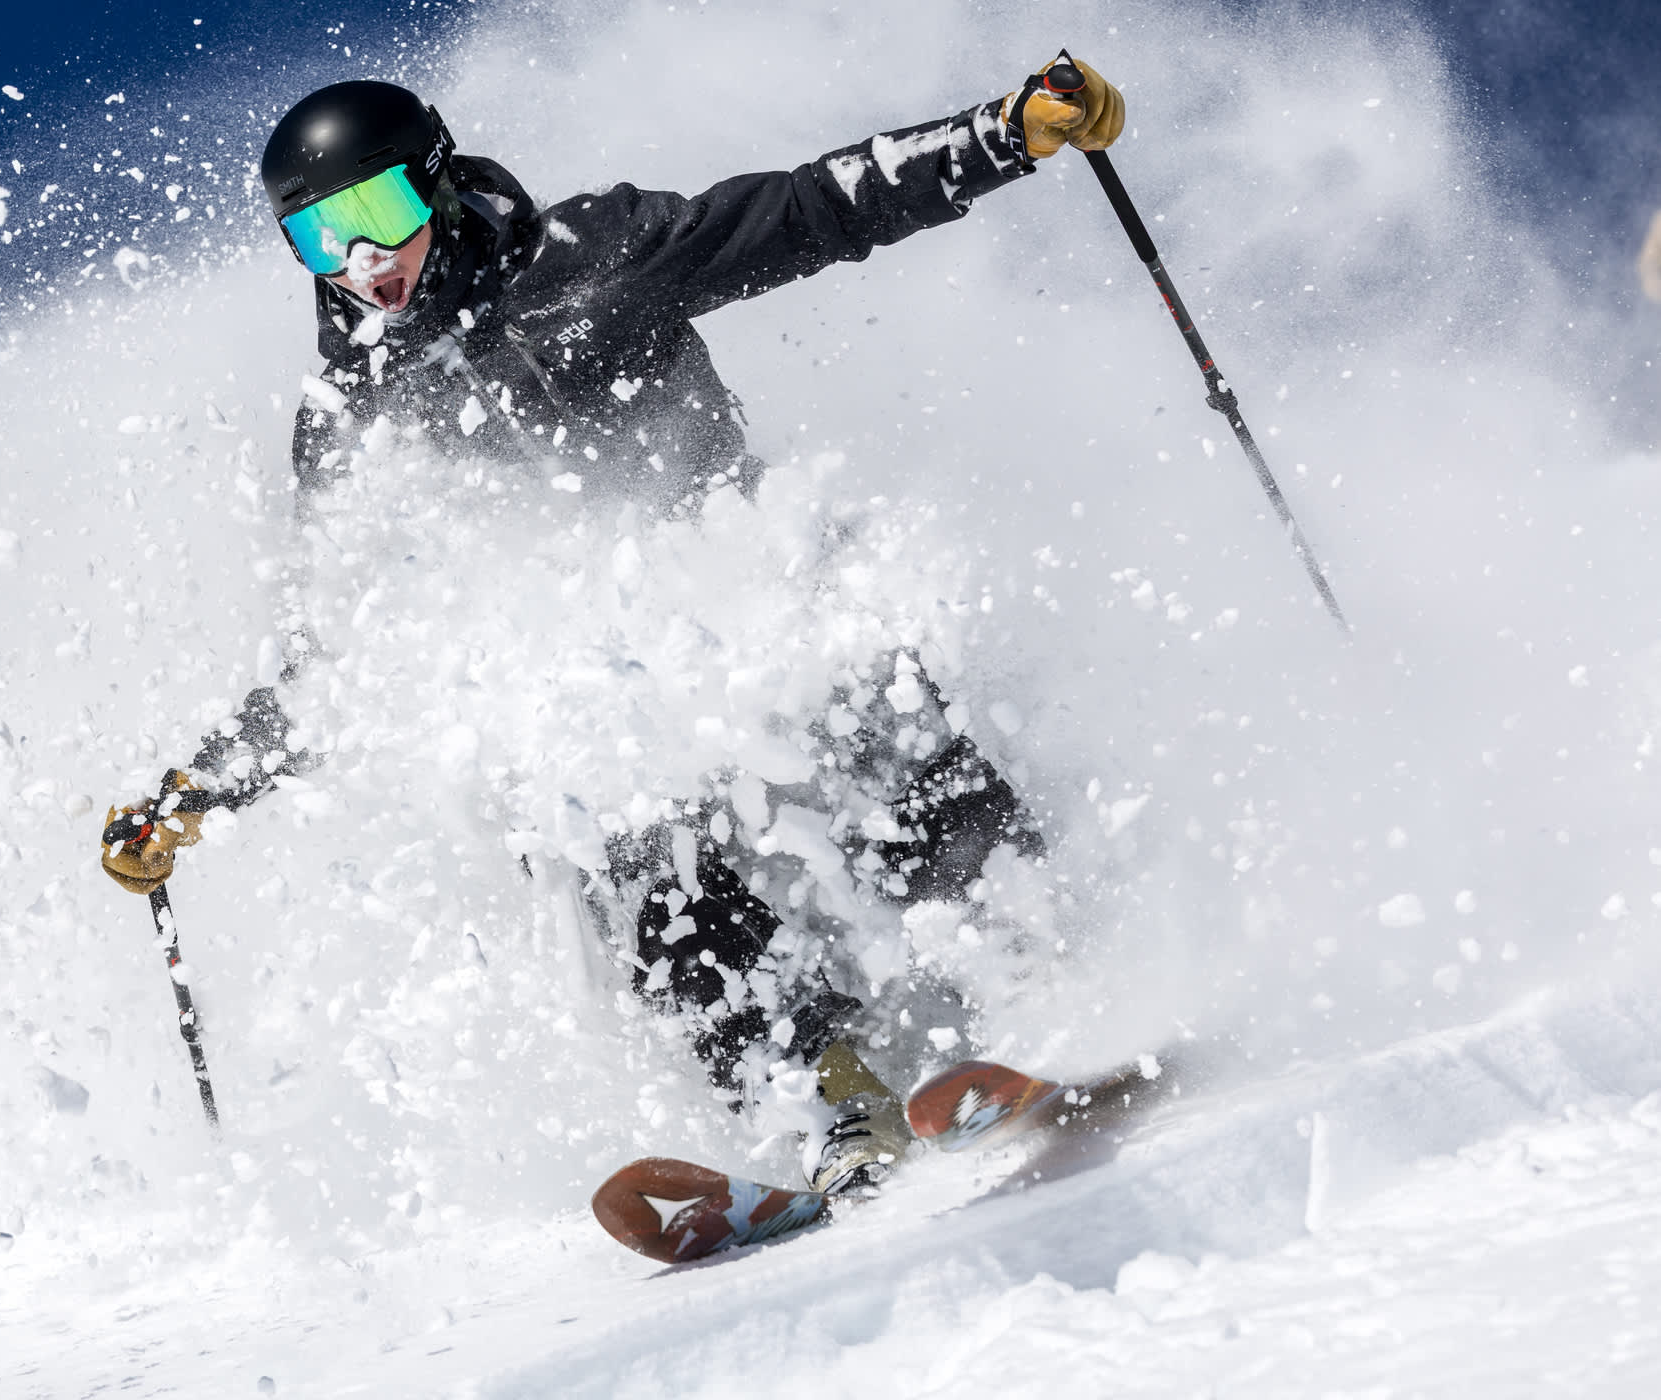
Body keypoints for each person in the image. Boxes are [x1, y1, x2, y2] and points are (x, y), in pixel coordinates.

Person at [100, 59, 1125, 1194]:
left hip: (746, 594)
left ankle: (1045, 973)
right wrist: (199, 791)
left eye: (378, 212)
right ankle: (826, 1086)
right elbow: (347, 655)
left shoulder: (596, 260)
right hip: (608, 687)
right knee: (600, 809)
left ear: (436, 183)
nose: (362, 259)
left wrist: (1005, 135)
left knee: (848, 687)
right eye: (318, 238)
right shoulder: (356, 422)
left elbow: (810, 208)